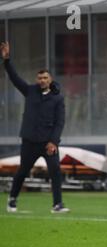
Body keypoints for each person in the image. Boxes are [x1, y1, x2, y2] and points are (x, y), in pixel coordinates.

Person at [1, 41, 69, 213]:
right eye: (39, 78)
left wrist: (53, 141)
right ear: (36, 80)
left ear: (50, 79)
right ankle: (12, 200)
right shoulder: (30, 91)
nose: (42, 80)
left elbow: (60, 122)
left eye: (45, 77)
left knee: (55, 172)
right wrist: (7, 60)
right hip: (30, 141)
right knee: (23, 171)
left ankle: (57, 204)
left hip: (48, 143)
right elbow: (15, 79)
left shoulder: (58, 99)